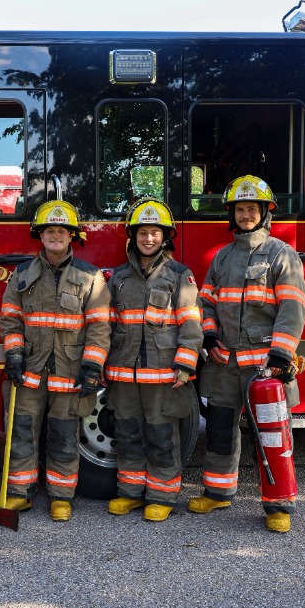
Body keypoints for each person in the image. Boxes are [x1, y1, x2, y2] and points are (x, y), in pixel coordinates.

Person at [188, 175, 305, 533]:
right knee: (221, 431)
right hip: (225, 365)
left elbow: (293, 307)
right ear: (232, 214)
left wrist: (281, 356)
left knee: (271, 436)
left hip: (264, 367)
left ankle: (277, 505)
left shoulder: (281, 254)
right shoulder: (222, 258)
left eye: (252, 208)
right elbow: (205, 303)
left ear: (265, 213)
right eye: (240, 209)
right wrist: (209, 340)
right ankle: (218, 492)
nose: (245, 214)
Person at [0, 199, 111, 521]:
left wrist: (92, 366)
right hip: (29, 370)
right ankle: (19, 494)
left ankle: (61, 497)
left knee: (64, 434)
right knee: (21, 432)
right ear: (40, 235)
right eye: (49, 230)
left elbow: (100, 327)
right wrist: (14, 354)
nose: (55, 236)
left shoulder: (91, 277)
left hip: (70, 372)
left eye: (61, 230)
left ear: (72, 235)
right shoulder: (21, 275)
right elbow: (11, 319)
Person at [104, 198, 203, 521]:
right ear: (133, 236)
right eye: (143, 233)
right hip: (124, 373)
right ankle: (131, 493)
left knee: (162, 436)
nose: (149, 239)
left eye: (155, 233)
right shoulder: (118, 277)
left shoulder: (179, 275)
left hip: (162, 374)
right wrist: (101, 364)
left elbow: (191, 323)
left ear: (165, 237)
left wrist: (186, 364)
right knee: (128, 433)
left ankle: (162, 495)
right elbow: (106, 323)